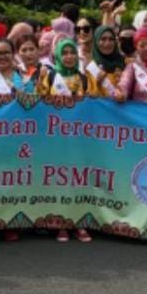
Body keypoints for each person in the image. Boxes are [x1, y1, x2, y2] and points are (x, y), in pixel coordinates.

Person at [41, 39, 96, 243]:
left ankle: (80, 222)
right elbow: (40, 102)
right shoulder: (50, 77)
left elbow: (95, 105)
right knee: (60, 180)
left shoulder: (85, 78)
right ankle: (61, 223)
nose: (69, 57)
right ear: (57, 55)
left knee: (80, 179)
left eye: (72, 52)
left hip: (81, 139)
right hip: (57, 139)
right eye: (64, 53)